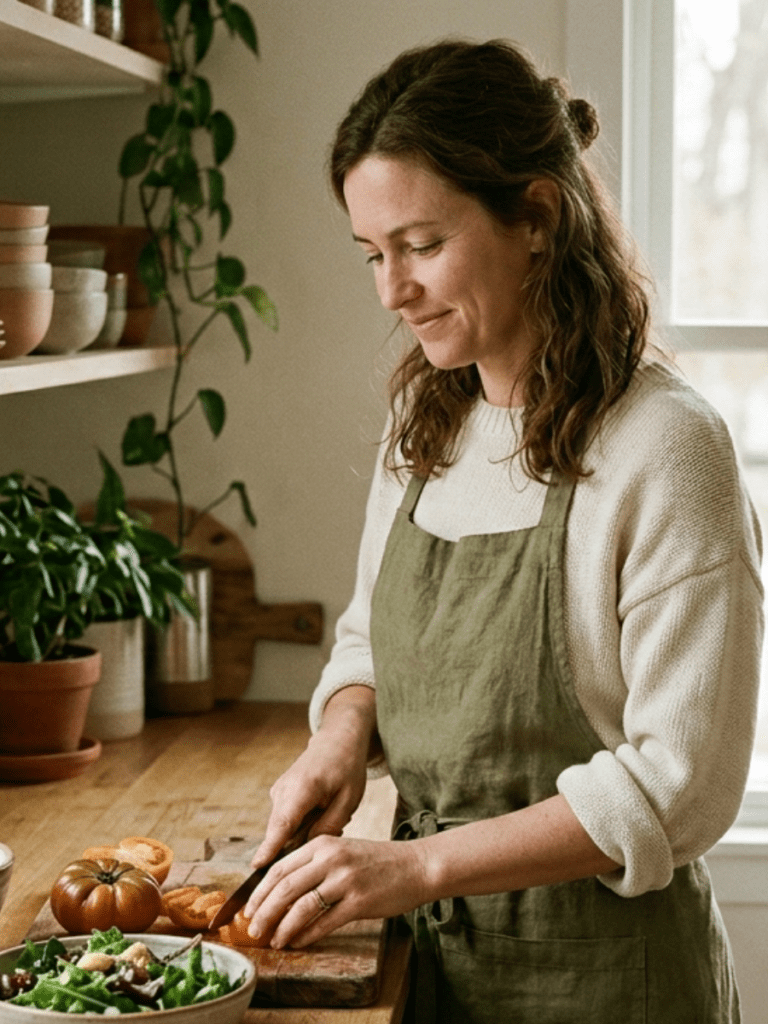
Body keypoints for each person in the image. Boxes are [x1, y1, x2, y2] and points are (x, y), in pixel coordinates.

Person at [241, 39, 764, 1022]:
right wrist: (343, 737)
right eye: (372, 255)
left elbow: (680, 783)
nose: (392, 291)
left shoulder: (664, 446)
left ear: (535, 217)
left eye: (421, 245)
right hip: (433, 977)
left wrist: (416, 864)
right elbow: (369, 636)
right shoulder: (425, 425)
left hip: (612, 987)